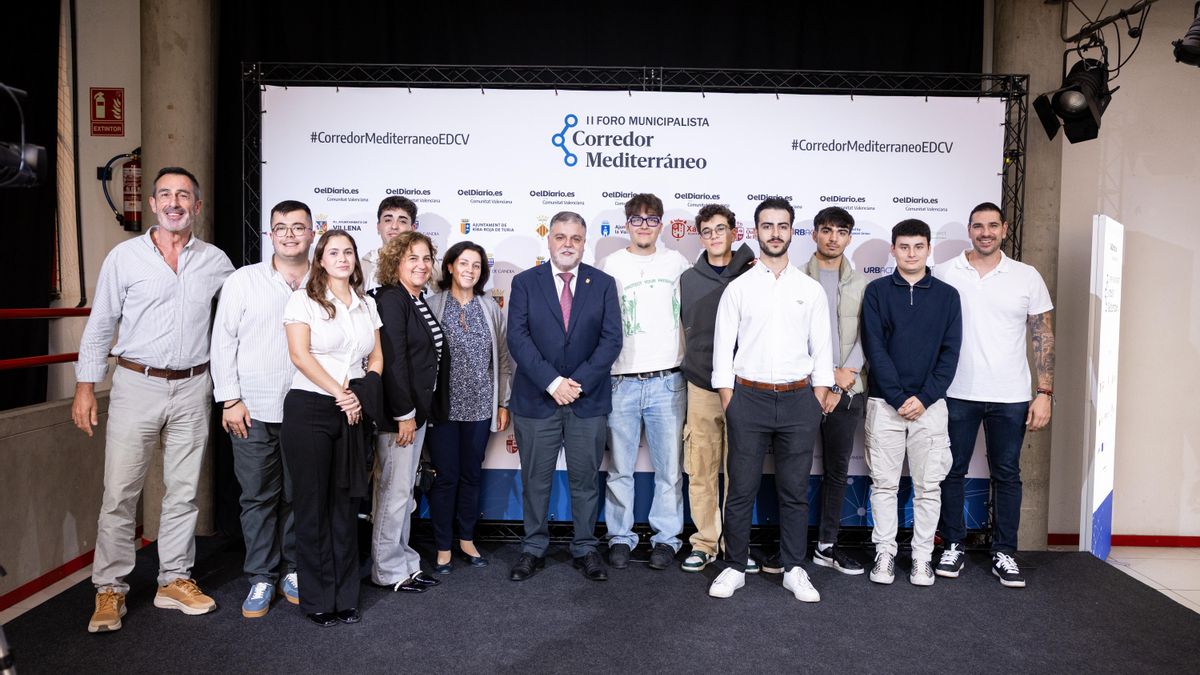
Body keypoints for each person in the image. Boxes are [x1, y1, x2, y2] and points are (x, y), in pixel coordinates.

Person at [73, 166, 233, 633]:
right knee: (121, 492)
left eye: (184, 195)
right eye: (165, 194)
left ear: (197, 206)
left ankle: (174, 579)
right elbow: (101, 322)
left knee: (183, 492)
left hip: (193, 385)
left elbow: (237, 320)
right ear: (153, 203)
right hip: (136, 383)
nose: (174, 202)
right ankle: (110, 588)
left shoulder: (216, 261)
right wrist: (86, 385)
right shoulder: (125, 257)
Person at [708, 198, 832, 602]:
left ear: (792, 231)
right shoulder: (739, 289)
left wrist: (817, 397)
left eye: (782, 225)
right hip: (748, 399)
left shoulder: (809, 290)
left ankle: (795, 569)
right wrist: (731, 401)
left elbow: (823, 350)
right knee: (741, 488)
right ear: (755, 231)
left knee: (794, 490)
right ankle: (733, 566)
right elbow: (722, 351)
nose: (775, 232)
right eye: (767, 225)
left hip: (800, 401)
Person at [934, 202, 1055, 588]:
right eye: (977, 226)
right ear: (969, 231)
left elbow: (1043, 335)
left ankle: (1005, 552)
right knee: (951, 472)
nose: (985, 232)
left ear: (1004, 229)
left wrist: (1045, 391)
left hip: (1011, 395)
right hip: (956, 392)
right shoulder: (944, 272)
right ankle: (953, 544)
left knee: (1007, 474)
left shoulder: (1026, 276)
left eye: (992, 226)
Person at [506, 211, 622, 582]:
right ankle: (533, 547)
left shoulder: (602, 283)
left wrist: (577, 383)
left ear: (584, 242)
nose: (567, 244)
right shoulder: (525, 282)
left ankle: (585, 547)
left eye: (575, 237)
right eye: (560, 236)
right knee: (535, 480)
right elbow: (518, 338)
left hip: (586, 401)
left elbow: (611, 340)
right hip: (537, 400)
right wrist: (553, 382)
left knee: (585, 481)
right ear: (550, 240)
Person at [212, 199, 312, 618]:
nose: (289, 233)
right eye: (281, 227)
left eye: (298, 227)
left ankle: (292, 569)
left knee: (297, 496)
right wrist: (229, 399)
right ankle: (260, 577)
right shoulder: (243, 280)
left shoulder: (325, 280)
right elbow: (223, 341)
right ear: (270, 233)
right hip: (251, 410)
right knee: (257, 497)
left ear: (312, 232)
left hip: (307, 412)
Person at [281, 228, 383, 627]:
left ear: (356, 260)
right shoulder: (301, 300)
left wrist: (358, 393)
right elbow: (299, 355)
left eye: (349, 252)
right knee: (312, 507)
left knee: (345, 506)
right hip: (310, 408)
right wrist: (339, 393)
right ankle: (318, 599)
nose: (342, 258)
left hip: (352, 410)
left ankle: (346, 597)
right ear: (320, 259)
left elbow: (376, 358)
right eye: (334, 252)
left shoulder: (365, 305)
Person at [861, 219, 962, 587]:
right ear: (893, 250)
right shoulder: (876, 292)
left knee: (928, 487)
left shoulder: (948, 296)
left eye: (918, 246)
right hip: (884, 404)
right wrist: (901, 397)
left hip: (931, 407)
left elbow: (950, 355)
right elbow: (875, 349)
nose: (911, 253)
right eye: (904, 247)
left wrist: (924, 398)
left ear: (929, 248)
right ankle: (885, 553)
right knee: (884, 486)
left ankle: (922, 558)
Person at [598, 193, 691, 571]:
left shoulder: (678, 262)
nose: (644, 226)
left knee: (670, 470)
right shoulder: (610, 264)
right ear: (626, 225)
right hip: (620, 379)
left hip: (668, 379)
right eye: (636, 220)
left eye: (651, 220)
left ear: (661, 224)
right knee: (620, 467)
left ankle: (666, 538)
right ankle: (620, 536)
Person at [677, 204, 756, 573]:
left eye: (719, 229)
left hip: (746, 388)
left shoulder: (754, 275)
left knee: (740, 472)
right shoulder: (688, 279)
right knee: (702, 468)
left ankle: (736, 547)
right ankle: (705, 542)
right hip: (702, 387)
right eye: (706, 231)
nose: (713, 236)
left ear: (733, 232)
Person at [424, 241, 511, 573]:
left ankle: (466, 539)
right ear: (449, 267)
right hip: (443, 408)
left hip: (480, 406)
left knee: (471, 475)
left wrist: (503, 402)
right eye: (463, 263)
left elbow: (502, 359)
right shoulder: (432, 305)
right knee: (446, 477)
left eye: (476, 266)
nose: (469, 270)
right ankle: (443, 546)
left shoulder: (490, 308)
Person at [371, 231, 449, 593]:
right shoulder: (391, 298)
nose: (421, 265)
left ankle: (404, 560)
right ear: (396, 263)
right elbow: (394, 363)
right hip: (399, 416)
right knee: (393, 492)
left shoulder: (417, 299)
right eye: (412, 258)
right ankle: (387, 569)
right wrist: (404, 413)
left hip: (418, 414)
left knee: (405, 491)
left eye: (426, 258)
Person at [794, 206, 869, 576]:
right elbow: (789, 337)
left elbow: (869, 335)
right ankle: (790, 548)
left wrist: (845, 376)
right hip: (803, 390)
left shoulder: (862, 284)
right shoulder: (794, 279)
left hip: (848, 389)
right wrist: (819, 380)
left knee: (838, 470)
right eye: (826, 230)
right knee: (794, 470)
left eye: (841, 231)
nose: (833, 237)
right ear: (815, 235)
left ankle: (827, 545)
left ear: (849, 237)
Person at [361, 196, 417, 291]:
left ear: (413, 229)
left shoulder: (426, 267)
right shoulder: (362, 268)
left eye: (402, 221)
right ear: (378, 227)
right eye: (388, 220)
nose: (394, 226)